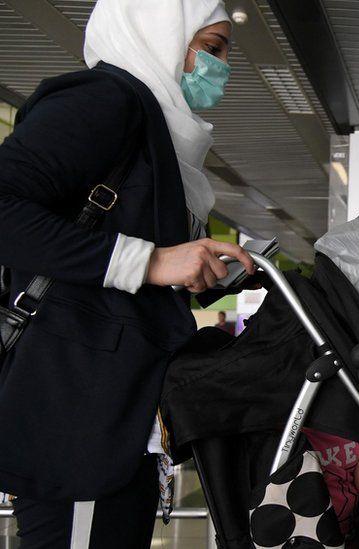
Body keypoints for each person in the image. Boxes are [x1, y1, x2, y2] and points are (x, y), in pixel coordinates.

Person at [0, 1, 255, 547]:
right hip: (79, 420)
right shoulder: (105, 101)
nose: (223, 66)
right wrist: (153, 261)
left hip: (117, 418)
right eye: (211, 49)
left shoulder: (153, 133)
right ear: (157, 35)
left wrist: (188, 270)